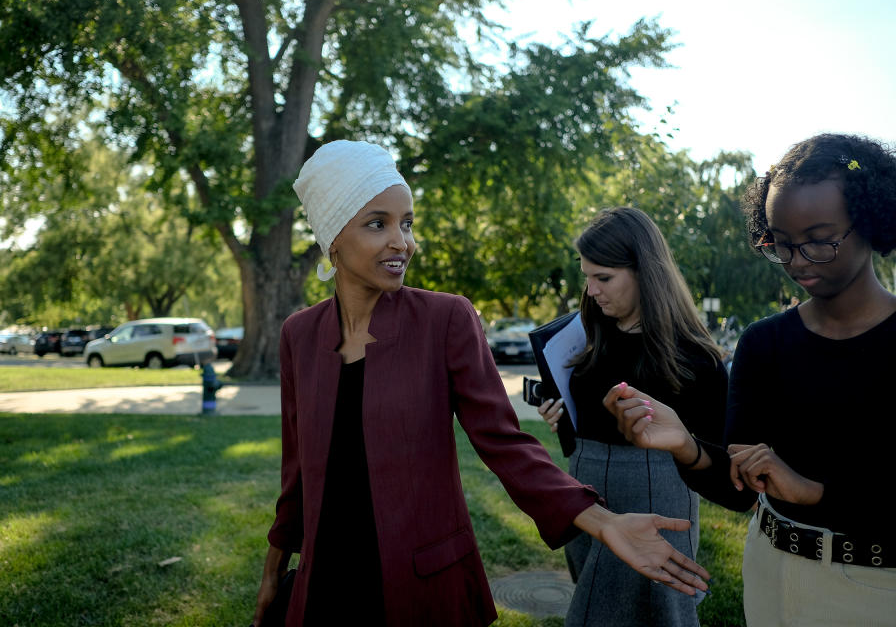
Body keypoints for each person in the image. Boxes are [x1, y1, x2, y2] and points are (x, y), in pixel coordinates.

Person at [251, 140, 710, 627]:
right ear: (332, 237)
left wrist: (603, 521)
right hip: (328, 586)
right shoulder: (298, 335)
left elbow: (505, 444)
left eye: (407, 223)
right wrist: (272, 575)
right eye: (377, 223)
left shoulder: (445, 319)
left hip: (422, 587)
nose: (402, 241)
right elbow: (296, 473)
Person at [605, 134, 896, 626]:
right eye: (780, 244)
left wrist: (816, 492)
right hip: (771, 569)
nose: (797, 261)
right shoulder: (765, 344)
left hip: (875, 586)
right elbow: (742, 488)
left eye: (819, 240)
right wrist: (686, 446)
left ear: (871, 220)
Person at [536, 207, 728, 626]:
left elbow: (719, 463)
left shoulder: (695, 359)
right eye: (586, 277)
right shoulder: (589, 341)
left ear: (644, 272)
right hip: (586, 501)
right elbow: (585, 427)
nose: (590, 291)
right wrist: (563, 421)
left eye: (602, 278)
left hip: (655, 500)